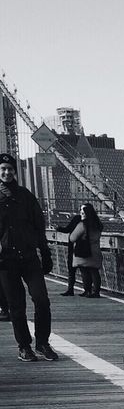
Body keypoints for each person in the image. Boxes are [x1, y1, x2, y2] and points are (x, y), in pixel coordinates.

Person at [0, 152, 57, 362]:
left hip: (29, 257)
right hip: (5, 261)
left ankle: (42, 342)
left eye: (10, 169)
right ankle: (24, 346)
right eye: (3, 169)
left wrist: (46, 254)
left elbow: (38, 227)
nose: (6, 172)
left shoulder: (26, 196)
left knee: (42, 300)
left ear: (15, 172)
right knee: (17, 306)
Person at [68, 203, 103, 297]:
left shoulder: (82, 225)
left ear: (87, 214)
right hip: (95, 250)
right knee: (94, 271)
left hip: (83, 251)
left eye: (82, 213)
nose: (81, 214)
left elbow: (72, 238)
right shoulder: (98, 224)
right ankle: (96, 292)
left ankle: (87, 290)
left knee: (84, 271)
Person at [56, 210, 82, 296]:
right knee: (85, 270)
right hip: (85, 249)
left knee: (71, 270)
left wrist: (58, 228)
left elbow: (68, 229)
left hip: (74, 248)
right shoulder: (90, 221)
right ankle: (88, 290)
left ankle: (70, 289)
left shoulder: (77, 219)